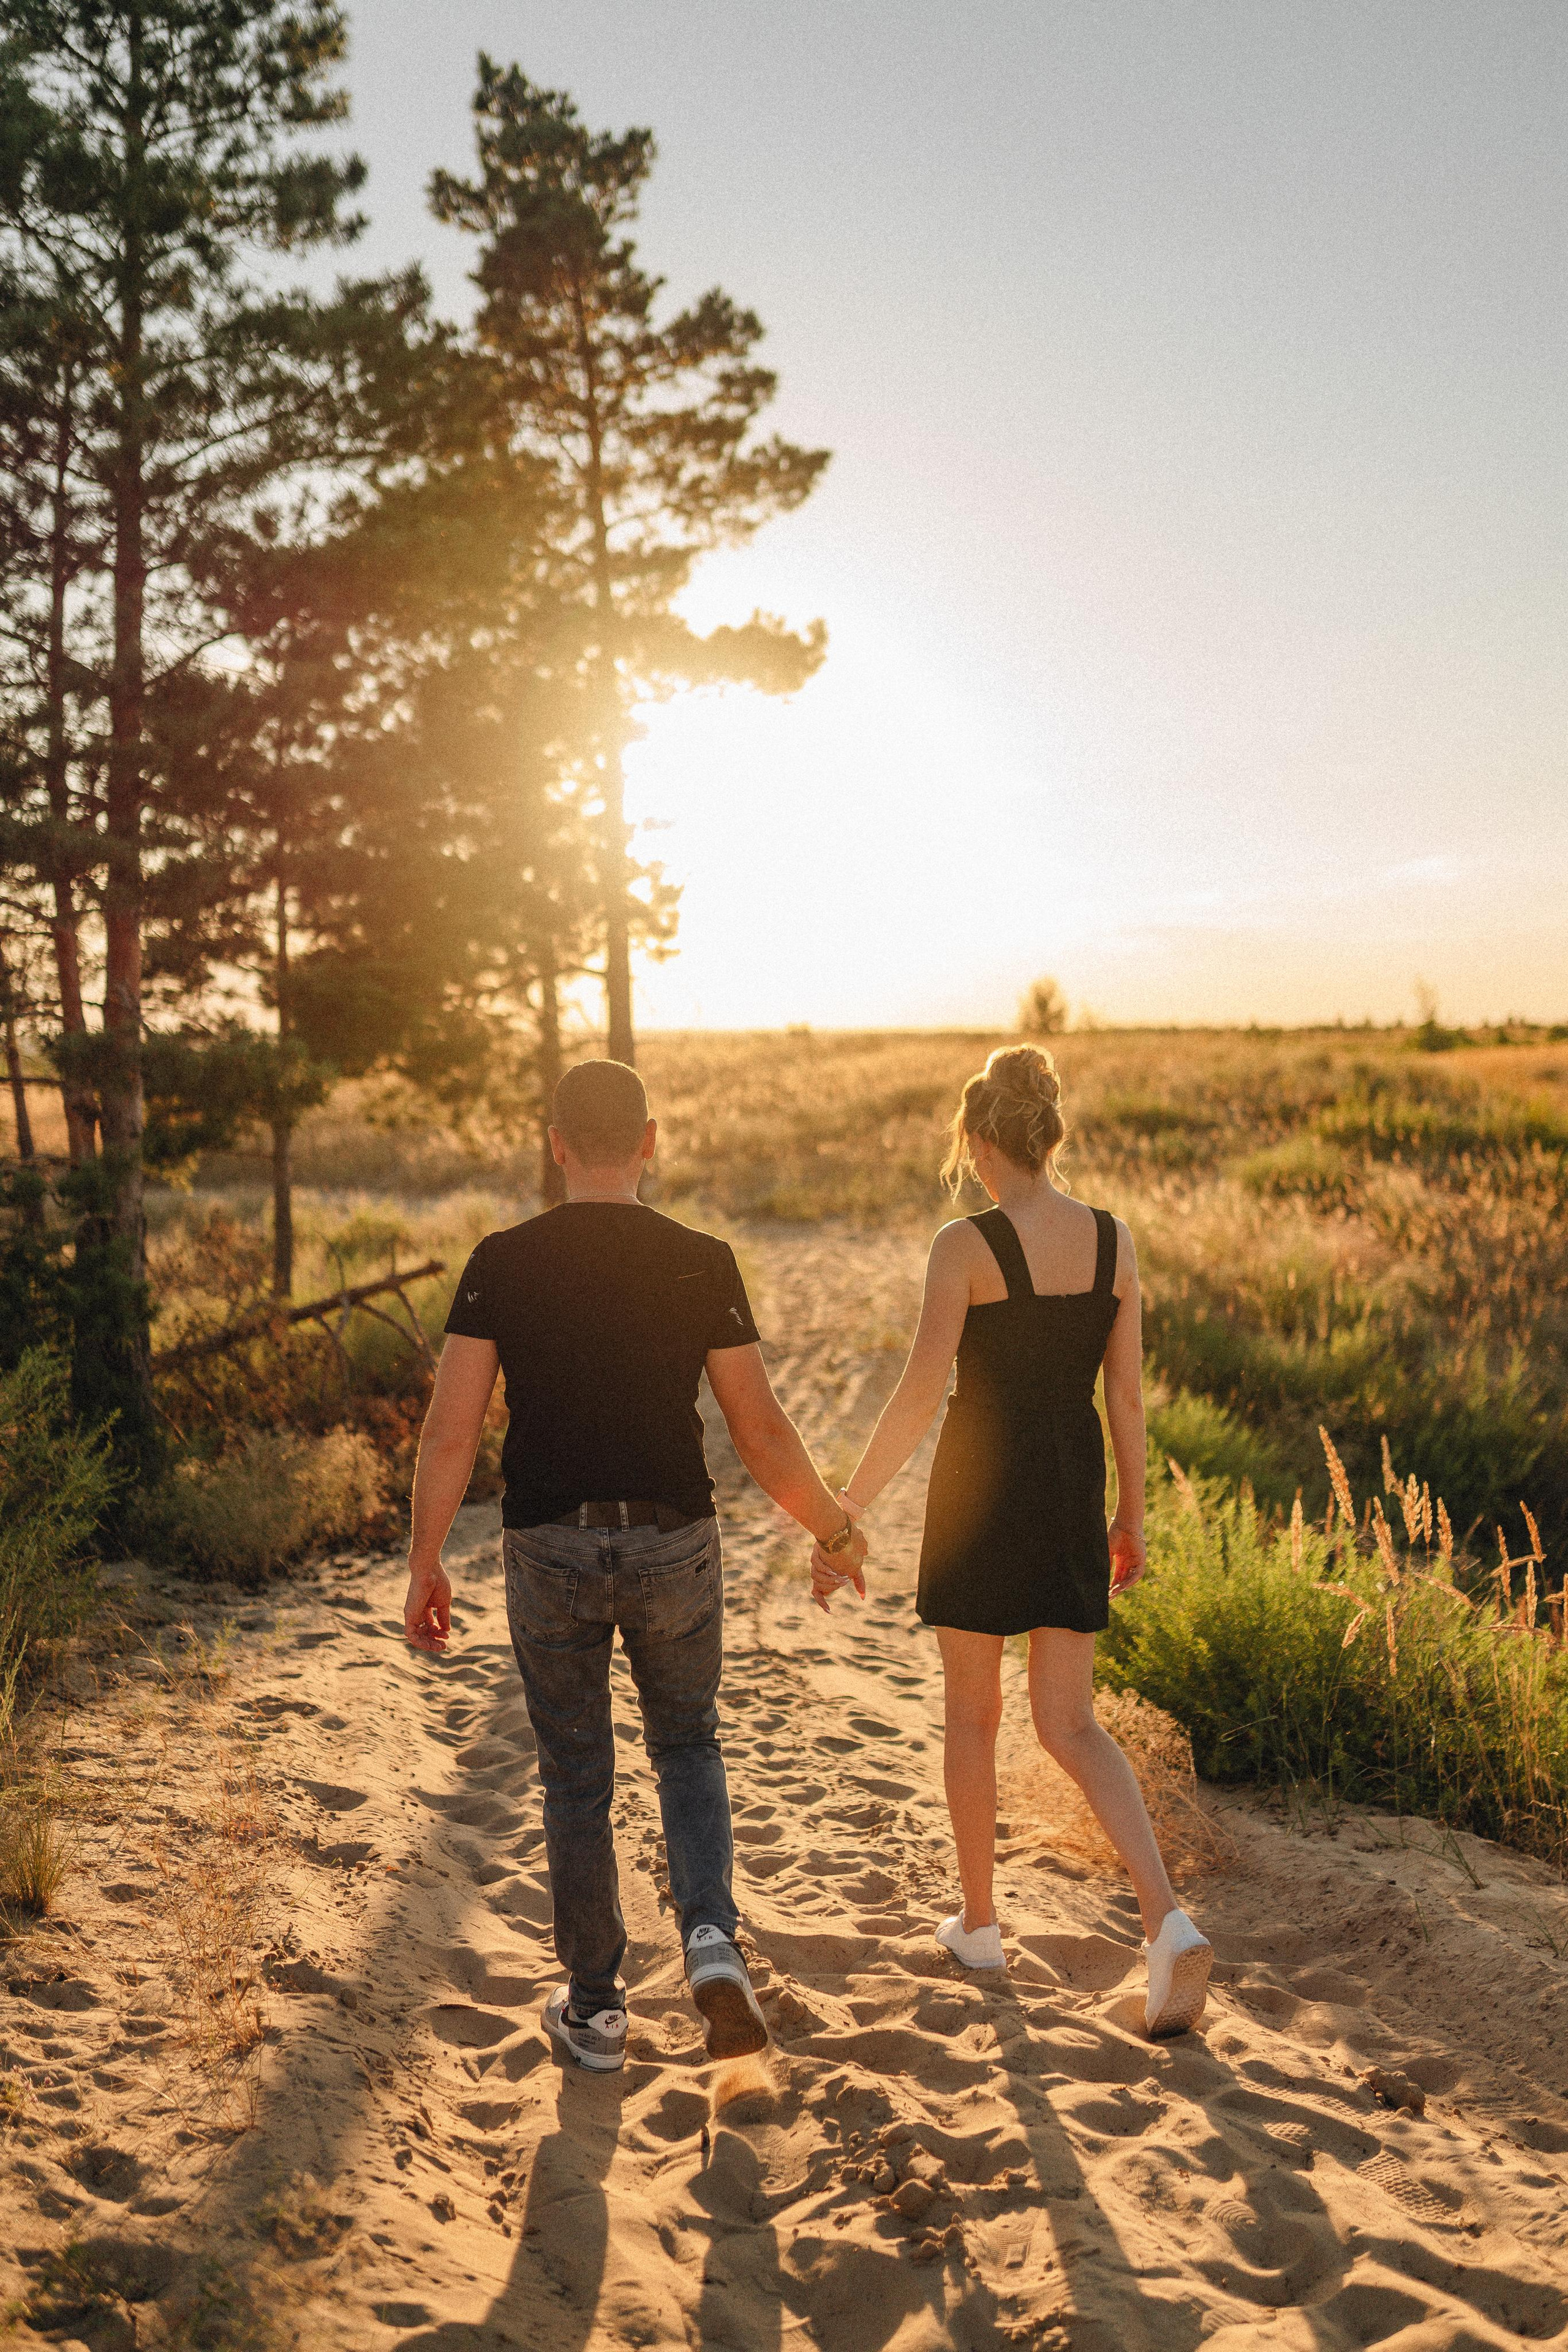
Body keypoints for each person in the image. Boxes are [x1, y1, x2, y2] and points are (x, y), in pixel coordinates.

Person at [402, 1058, 866, 2075]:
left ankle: (598, 2008)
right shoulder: (703, 1258)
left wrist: (425, 1558)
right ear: (649, 1140)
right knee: (689, 1746)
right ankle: (709, 1938)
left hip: (550, 1542)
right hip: (673, 1542)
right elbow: (760, 1430)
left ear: (557, 1143)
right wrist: (832, 1530)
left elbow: (451, 1430)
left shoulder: (502, 1259)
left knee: (576, 1776)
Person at [814, 1044, 1210, 2038]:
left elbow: (918, 1390)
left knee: (973, 1716)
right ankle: (1166, 1922)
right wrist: (1132, 1514)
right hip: (1073, 1486)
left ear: (982, 1140)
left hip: (981, 1491)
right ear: (1051, 1134)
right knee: (1070, 1724)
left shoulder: (966, 1245)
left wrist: (847, 1506)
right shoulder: (1116, 1244)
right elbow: (1125, 1394)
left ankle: (981, 1926)